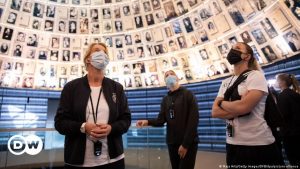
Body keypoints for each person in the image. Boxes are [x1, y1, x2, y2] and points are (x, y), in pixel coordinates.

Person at [55, 43, 131, 169]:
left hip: (113, 161)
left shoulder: (117, 88)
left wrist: (111, 128)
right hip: (78, 162)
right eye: (97, 50)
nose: (102, 54)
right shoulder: (71, 88)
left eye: (104, 52)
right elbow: (60, 123)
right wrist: (83, 127)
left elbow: (126, 119)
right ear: (88, 59)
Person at [211, 42, 284, 167]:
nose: (232, 50)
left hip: (259, 143)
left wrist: (222, 102)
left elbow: (244, 107)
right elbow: (215, 112)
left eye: (238, 48)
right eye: (232, 48)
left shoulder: (256, 76)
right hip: (233, 144)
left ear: (247, 56)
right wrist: (239, 106)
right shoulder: (225, 82)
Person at [136, 70, 199, 169]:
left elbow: (193, 121)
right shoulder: (165, 99)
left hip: (188, 143)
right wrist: (147, 122)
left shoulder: (188, 94)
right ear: (165, 80)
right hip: (172, 143)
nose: (169, 76)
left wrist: (185, 145)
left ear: (177, 77)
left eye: (172, 74)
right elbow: (161, 120)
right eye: (166, 75)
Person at [276, 73, 300, 167]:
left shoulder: (282, 96)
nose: (276, 83)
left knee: (293, 160)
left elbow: (282, 115)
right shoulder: (295, 94)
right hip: (297, 131)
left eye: (277, 81)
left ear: (282, 82)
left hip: (289, 134)